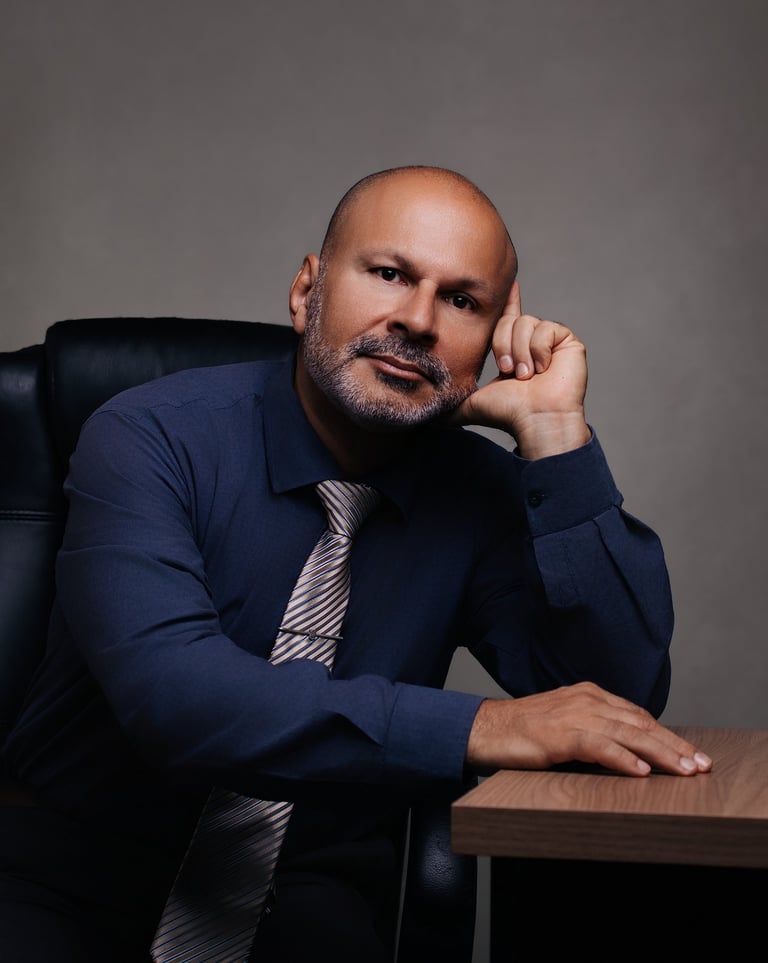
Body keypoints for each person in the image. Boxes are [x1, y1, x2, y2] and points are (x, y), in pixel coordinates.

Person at [0, 165, 711, 961]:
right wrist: (483, 725)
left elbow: (615, 703)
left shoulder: (477, 490)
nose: (418, 320)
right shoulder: (150, 436)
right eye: (389, 274)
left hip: (308, 894)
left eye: (462, 300)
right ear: (307, 290)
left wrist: (555, 437)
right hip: (68, 879)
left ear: (493, 336)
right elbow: (173, 696)